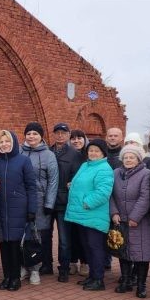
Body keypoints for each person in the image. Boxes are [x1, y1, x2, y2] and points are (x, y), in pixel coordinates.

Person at [65, 139, 114, 291]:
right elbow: (83, 184)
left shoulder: (104, 168)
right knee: (87, 247)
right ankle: (92, 276)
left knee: (95, 248)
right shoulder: (85, 165)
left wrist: (87, 203)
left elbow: (103, 192)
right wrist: (72, 185)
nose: (92, 153)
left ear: (103, 153)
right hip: (82, 214)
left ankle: (98, 279)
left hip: (93, 214)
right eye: (91, 150)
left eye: (96, 151)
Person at [109, 144, 150, 298]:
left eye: (132, 157)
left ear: (138, 159)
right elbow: (110, 195)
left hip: (141, 221)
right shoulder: (116, 173)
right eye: (126, 157)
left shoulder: (146, 173)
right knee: (123, 251)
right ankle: (126, 281)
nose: (128, 160)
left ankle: (141, 285)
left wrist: (135, 217)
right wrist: (114, 212)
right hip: (120, 219)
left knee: (142, 254)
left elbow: (145, 197)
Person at [0, 130, 37, 291]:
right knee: (4, 244)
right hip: (1, 208)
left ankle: (15, 278)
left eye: (7, 141)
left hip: (18, 208)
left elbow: (31, 186)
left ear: (13, 142)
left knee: (14, 244)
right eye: (1, 142)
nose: (4, 144)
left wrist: (32, 209)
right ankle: (6, 277)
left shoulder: (23, 161)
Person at [20, 122, 59, 283]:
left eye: (35, 134)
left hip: (41, 201)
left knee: (37, 236)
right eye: (29, 133)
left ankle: (35, 268)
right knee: (22, 234)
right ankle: (23, 265)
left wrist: (49, 203)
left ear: (41, 136)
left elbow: (53, 180)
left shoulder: (49, 155)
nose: (31, 137)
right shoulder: (20, 152)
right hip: (22, 200)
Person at [49, 122, 82, 282]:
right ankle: (46, 264)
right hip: (47, 201)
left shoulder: (75, 154)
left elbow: (78, 177)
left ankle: (64, 268)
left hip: (64, 201)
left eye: (63, 132)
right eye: (57, 132)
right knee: (44, 235)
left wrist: (72, 183)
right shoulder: (48, 152)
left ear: (68, 135)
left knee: (64, 238)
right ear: (53, 134)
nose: (60, 135)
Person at [68, 129, 89, 277]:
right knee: (71, 234)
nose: (76, 141)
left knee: (84, 234)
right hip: (70, 200)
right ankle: (72, 261)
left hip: (85, 202)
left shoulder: (89, 156)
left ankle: (85, 262)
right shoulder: (68, 154)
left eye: (79, 138)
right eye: (73, 138)